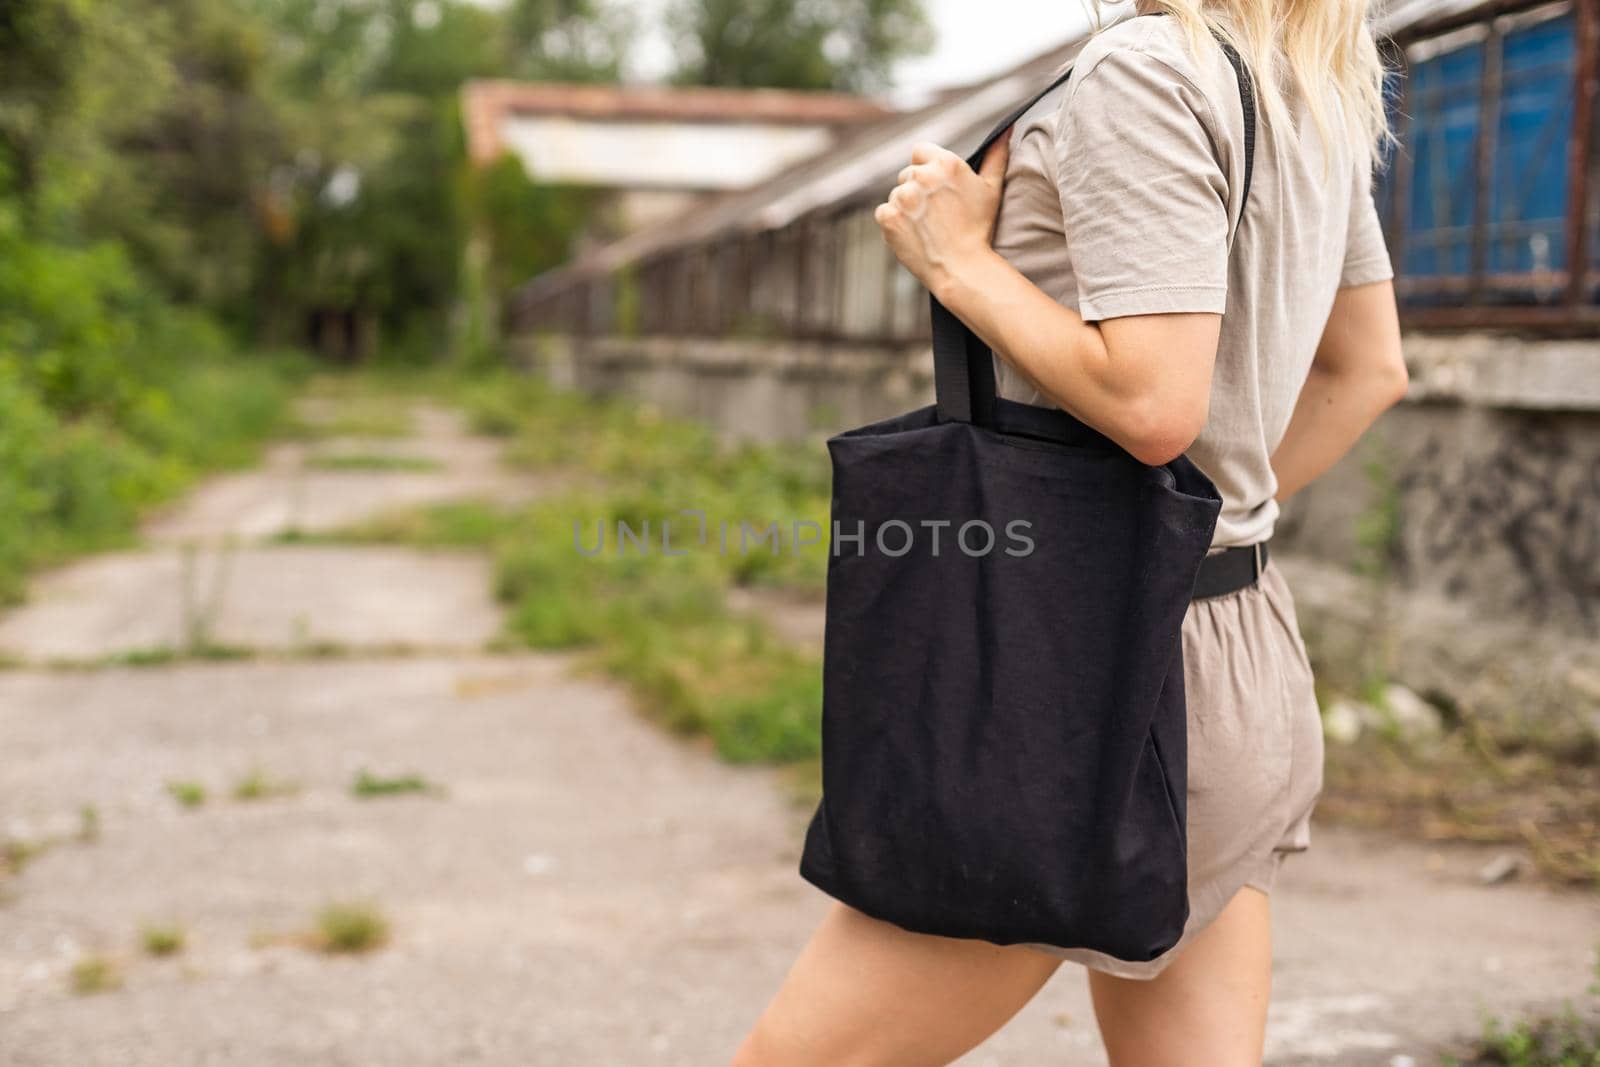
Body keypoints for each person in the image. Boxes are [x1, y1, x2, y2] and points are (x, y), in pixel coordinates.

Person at [732, 0, 1409, 1064]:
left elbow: (1151, 404)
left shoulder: (1145, 72)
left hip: (1083, 682)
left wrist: (959, 260)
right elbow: (1368, 371)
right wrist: (1187, 529)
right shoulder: (1309, 85)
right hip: (1234, 657)